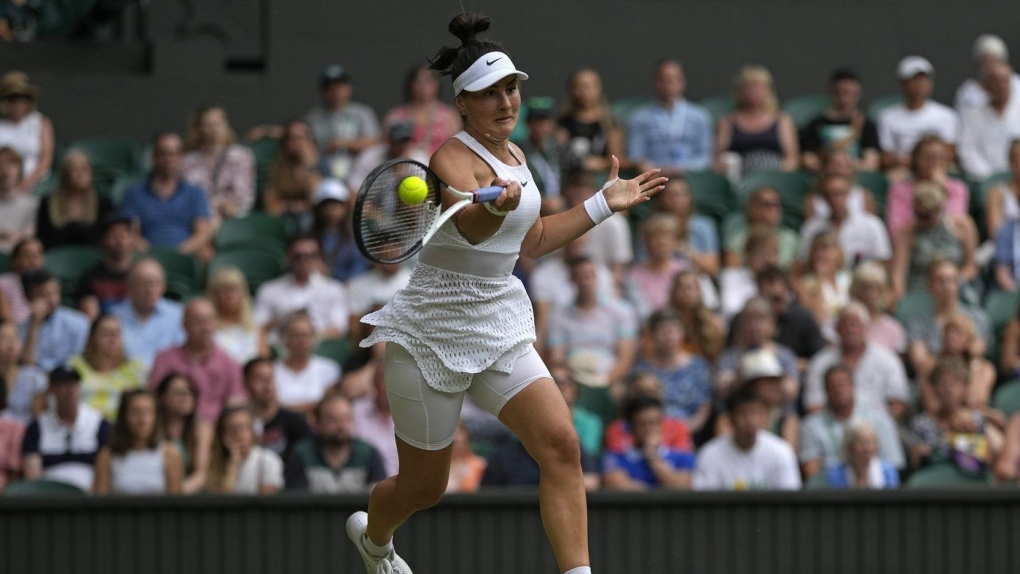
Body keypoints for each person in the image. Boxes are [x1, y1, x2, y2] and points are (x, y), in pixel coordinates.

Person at [348, 14, 667, 574]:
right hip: (432, 331)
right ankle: (374, 539)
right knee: (425, 489)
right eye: (488, 93)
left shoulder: (519, 158)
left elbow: (536, 239)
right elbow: (470, 229)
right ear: (463, 103)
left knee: (562, 447)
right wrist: (490, 204)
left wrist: (601, 203)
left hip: (497, 322)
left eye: (511, 89)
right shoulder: (450, 157)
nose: (505, 102)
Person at [546, 255, 638, 398]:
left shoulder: (622, 311)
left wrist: (605, 381)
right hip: (573, 380)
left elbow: (625, 357)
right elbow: (556, 357)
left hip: (609, 379)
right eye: (581, 277)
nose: (586, 282)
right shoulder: (559, 316)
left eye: (590, 276)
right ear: (572, 280)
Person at [803, 303, 910, 421]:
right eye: (845, 325)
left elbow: (898, 403)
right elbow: (813, 405)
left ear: (866, 328)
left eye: (855, 324)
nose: (850, 329)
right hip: (832, 428)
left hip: (876, 428)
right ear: (837, 328)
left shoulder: (888, 360)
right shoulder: (820, 362)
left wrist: (880, 426)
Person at [148, 297, 246, 425]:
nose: (205, 327)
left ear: (217, 323)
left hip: (215, 432)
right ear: (184, 324)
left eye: (209, 321)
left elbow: (236, 405)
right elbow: (154, 400)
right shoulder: (164, 359)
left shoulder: (231, 365)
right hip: (171, 430)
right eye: (198, 321)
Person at [799, 364, 905, 479]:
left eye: (843, 384)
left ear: (853, 386)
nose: (839, 390)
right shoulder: (811, 426)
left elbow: (894, 465)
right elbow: (811, 473)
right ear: (826, 390)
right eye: (833, 386)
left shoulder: (881, 421)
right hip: (830, 489)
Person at [120, 132, 214, 261]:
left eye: (174, 154)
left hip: (186, 254)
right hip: (147, 256)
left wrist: (178, 253)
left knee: (207, 253)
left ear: (181, 158)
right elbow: (131, 232)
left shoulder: (195, 193)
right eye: (163, 153)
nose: (169, 159)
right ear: (154, 157)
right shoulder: (134, 194)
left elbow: (202, 233)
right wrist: (151, 254)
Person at [692, 384, 802, 491]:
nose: (751, 421)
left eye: (756, 413)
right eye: (744, 414)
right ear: (731, 419)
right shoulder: (710, 454)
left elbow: (789, 497)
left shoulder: (781, 451)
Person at [20, 366, 110, 493]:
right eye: (64, 385)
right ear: (52, 390)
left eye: (74, 384)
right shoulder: (36, 428)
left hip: (89, 499)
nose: (70, 390)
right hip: (50, 499)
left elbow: (104, 472)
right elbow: (33, 477)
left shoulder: (99, 424)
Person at [908, 357, 1003, 473]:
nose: (949, 389)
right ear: (934, 387)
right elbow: (915, 462)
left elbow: (992, 459)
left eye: (955, 383)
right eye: (943, 383)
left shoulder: (977, 419)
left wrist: (972, 435)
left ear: (965, 388)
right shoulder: (921, 423)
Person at [629, 309, 712, 437]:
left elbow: (705, 406)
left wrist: (684, 430)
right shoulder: (641, 368)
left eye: (673, 330)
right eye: (662, 331)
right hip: (648, 431)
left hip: (689, 431)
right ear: (652, 335)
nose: (668, 336)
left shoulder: (697, 365)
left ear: (682, 333)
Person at [890, 182, 978, 300]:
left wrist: (950, 282)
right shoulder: (906, 233)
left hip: (955, 288)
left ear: (939, 210)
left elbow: (971, 266)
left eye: (926, 216)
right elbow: (898, 275)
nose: (921, 220)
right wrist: (901, 300)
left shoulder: (963, 226)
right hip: (920, 291)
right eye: (918, 214)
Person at [252, 234, 350, 339]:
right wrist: (281, 320)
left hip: (320, 346)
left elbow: (340, 328)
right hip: (280, 346)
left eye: (310, 256)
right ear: (288, 257)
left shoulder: (333, 289)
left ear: (318, 258)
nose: (304, 261)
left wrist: (306, 337)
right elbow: (257, 327)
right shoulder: (269, 290)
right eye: (298, 256)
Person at [285, 393, 386, 493]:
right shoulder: (302, 454)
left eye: (346, 419)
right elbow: (296, 501)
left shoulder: (368, 453)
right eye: (333, 420)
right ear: (318, 422)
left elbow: (379, 497)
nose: (341, 426)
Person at [878, 57, 959, 180]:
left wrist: (928, 163)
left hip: (937, 168)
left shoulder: (947, 115)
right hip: (903, 171)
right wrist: (910, 162)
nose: (920, 84)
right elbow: (885, 157)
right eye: (915, 80)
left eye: (924, 79)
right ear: (903, 83)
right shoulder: (887, 117)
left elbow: (950, 152)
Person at [628, 60, 713, 175]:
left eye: (673, 80)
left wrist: (683, 169)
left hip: (690, 176)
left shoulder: (699, 116)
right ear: (656, 83)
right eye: (663, 80)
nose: (667, 84)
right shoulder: (640, 118)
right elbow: (636, 155)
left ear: (682, 83)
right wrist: (652, 168)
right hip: (655, 174)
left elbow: (705, 156)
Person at [92, 389, 184, 494]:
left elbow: (176, 502)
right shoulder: (107, 456)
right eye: (135, 412)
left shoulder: (169, 454)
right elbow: (100, 502)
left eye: (148, 412)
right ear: (124, 416)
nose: (143, 420)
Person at [714, 65, 799, 178]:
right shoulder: (727, 121)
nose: (754, 91)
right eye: (749, 87)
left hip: (775, 178)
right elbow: (717, 159)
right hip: (739, 179)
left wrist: (776, 176)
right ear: (739, 91)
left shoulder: (782, 120)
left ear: (769, 91)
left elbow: (792, 159)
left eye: (759, 87)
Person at [905, 260, 990, 371]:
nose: (947, 287)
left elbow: (976, 351)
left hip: (967, 375)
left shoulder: (978, 318)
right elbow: (920, 362)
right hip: (933, 378)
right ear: (930, 286)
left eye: (952, 281)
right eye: (941, 281)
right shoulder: (917, 324)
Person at [715, 298, 799, 405]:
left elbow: (792, 391)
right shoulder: (729, 357)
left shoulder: (784, 355)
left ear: (771, 324)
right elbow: (720, 390)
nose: (754, 327)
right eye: (749, 320)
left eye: (760, 321)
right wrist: (741, 374)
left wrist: (771, 372)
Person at [797, 174, 891, 270]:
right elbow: (802, 262)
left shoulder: (872, 224)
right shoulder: (812, 227)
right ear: (823, 198)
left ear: (849, 193)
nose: (834, 200)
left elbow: (882, 262)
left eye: (839, 193)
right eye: (829, 195)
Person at [181, 105, 256, 225]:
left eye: (218, 123)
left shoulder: (241, 156)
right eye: (208, 125)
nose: (214, 129)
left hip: (232, 217)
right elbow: (186, 196)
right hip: (198, 219)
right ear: (199, 129)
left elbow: (245, 198)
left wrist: (231, 209)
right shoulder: (187, 161)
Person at [306, 64, 381, 183]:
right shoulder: (313, 118)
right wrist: (326, 149)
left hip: (358, 173)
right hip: (324, 173)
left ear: (349, 88)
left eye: (340, 85)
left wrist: (343, 143)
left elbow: (375, 142)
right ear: (324, 91)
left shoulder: (362, 112)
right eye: (330, 86)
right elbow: (308, 149)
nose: (336, 90)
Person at [601, 395, 694, 490]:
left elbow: (682, 487)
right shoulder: (615, 456)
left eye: (655, 422)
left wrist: (653, 457)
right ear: (631, 427)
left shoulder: (681, 456)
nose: (650, 429)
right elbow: (618, 485)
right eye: (643, 424)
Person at [885, 135, 969, 239]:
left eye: (939, 157)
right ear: (916, 159)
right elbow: (896, 229)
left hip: (946, 245)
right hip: (911, 244)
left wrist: (941, 187)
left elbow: (956, 227)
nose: (934, 163)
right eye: (928, 157)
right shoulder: (899, 189)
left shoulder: (956, 188)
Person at [559, 169, 634, 286]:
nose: (576, 202)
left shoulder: (615, 223)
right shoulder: (559, 220)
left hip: (605, 284)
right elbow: (557, 263)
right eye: (573, 197)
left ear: (594, 194)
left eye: (582, 196)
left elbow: (619, 270)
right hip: (565, 281)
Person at [915, 311, 997, 415]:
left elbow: (974, 400)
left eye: (958, 333)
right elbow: (931, 405)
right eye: (948, 332)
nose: (952, 337)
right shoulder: (929, 365)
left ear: (970, 340)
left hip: (972, 420)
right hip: (938, 421)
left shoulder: (984, 369)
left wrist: (973, 359)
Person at [109, 258, 185, 369]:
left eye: (155, 283)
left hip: (168, 379)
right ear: (130, 286)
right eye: (143, 283)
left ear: (163, 287)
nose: (150, 289)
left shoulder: (179, 315)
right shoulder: (114, 317)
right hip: (126, 381)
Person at [800, 68, 881, 172]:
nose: (845, 98)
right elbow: (807, 159)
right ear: (832, 91)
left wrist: (845, 167)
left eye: (851, 93)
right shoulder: (816, 124)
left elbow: (871, 162)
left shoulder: (866, 124)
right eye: (841, 92)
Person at [69, 314, 145, 422]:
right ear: (93, 337)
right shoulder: (74, 366)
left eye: (117, 333)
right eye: (106, 333)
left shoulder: (136, 369)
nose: (113, 338)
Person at [35, 149, 114, 249]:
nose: (81, 174)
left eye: (85, 169)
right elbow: (43, 239)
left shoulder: (103, 203)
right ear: (65, 174)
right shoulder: (48, 203)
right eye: (75, 169)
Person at [957, 61, 1020, 181]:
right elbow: (967, 151)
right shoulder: (971, 114)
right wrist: (990, 177)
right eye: (995, 81)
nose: (1001, 86)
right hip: (985, 181)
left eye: (1005, 81)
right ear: (985, 85)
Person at [557, 68, 627, 176]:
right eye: (581, 87)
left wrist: (600, 163)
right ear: (572, 90)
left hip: (600, 179)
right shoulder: (563, 123)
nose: (587, 92)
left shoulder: (609, 123)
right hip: (569, 179)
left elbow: (618, 160)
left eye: (592, 86)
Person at [18, 268, 90, 371]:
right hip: (37, 380)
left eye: (54, 293)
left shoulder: (79, 322)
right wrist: (34, 324)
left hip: (68, 377)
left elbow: (80, 360)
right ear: (29, 298)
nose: (52, 300)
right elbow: (27, 365)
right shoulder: (20, 328)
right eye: (44, 295)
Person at [383, 64, 461, 158]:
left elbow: (457, 147)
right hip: (406, 167)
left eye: (429, 80)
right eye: (419, 81)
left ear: (437, 84)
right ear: (410, 85)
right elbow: (386, 146)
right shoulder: (395, 116)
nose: (424, 86)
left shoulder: (449, 115)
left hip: (440, 166)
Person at [263, 119, 329, 228]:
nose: (294, 143)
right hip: (286, 218)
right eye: (289, 138)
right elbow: (270, 208)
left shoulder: (322, 165)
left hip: (316, 221)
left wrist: (309, 166)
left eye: (299, 138)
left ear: (310, 140)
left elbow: (318, 202)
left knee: (306, 220)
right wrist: (294, 206)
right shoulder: (277, 167)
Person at [272, 311, 341, 415]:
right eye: (296, 336)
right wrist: (312, 406)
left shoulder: (329, 369)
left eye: (306, 335)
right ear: (285, 339)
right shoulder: (272, 370)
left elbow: (330, 404)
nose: (302, 340)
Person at [756, 265, 828, 363]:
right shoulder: (746, 321)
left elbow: (821, 358)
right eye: (766, 299)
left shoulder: (803, 319)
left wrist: (792, 364)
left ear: (786, 293)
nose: (771, 305)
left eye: (777, 299)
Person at [154, 372, 212, 494]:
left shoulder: (201, 428)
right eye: (178, 393)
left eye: (189, 392)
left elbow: (201, 475)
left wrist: (175, 496)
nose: (185, 397)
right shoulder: (153, 428)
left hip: (188, 496)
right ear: (162, 397)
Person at [243, 357, 311, 462]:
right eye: (260, 379)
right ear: (246, 382)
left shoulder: (295, 422)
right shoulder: (238, 422)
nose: (267, 385)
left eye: (270, 378)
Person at [205, 405, 284, 494]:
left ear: (252, 431)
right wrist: (232, 465)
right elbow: (222, 504)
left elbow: (267, 502)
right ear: (223, 435)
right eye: (233, 429)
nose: (240, 434)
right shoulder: (214, 464)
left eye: (244, 427)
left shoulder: (268, 460)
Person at [652, 177, 720, 276]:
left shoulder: (704, 225)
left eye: (682, 194)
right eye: (671, 195)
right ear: (661, 199)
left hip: (695, 280)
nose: (677, 200)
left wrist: (685, 250)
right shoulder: (652, 227)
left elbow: (712, 267)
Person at [0, 71, 54, 193]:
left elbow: (46, 157)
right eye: (12, 98)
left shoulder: (41, 122)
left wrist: (28, 182)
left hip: (36, 184)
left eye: (22, 98)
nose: (18, 103)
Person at [723, 185, 798, 269]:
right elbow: (732, 272)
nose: (774, 209)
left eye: (777, 204)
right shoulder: (737, 240)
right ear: (752, 208)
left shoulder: (791, 238)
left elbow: (795, 274)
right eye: (768, 204)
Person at [347, 119, 430, 193]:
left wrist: (401, 178)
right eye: (398, 142)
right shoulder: (370, 157)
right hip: (374, 208)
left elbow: (419, 205)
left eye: (406, 142)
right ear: (388, 142)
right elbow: (353, 193)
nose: (402, 147)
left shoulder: (421, 162)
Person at [77, 214, 135, 319]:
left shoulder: (140, 276)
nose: (120, 242)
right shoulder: (90, 277)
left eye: (124, 236)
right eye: (114, 236)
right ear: (103, 240)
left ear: (132, 240)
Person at [821, 420, 900, 489]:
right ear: (849, 446)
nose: (868, 448)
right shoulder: (835, 473)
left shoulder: (888, 472)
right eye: (862, 443)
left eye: (872, 443)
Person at [666, 270, 725, 362]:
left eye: (690, 288)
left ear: (699, 292)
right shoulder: (665, 323)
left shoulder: (713, 324)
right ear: (673, 292)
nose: (686, 292)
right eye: (681, 288)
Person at [351, 362, 398, 477]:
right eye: (384, 379)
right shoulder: (355, 412)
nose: (390, 385)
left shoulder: (414, 415)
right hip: (365, 485)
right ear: (374, 382)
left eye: (396, 380)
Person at [518, 96, 570, 201]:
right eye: (536, 120)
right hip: (533, 199)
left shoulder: (559, 149)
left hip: (562, 198)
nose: (541, 125)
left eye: (545, 120)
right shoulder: (519, 150)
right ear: (527, 123)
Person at [207, 266, 261, 365]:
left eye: (233, 289)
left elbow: (262, 363)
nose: (229, 295)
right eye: (224, 290)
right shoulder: (207, 327)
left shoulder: (256, 326)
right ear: (214, 295)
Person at [848, 261, 906, 354]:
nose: (870, 295)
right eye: (865, 288)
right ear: (855, 290)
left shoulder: (893, 329)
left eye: (877, 289)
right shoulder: (844, 324)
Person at [955, 34, 1020, 113]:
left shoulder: (1017, 83)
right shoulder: (967, 92)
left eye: (995, 60)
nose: (990, 65)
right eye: (985, 60)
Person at [0, 319, 47, 425]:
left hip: (27, 436)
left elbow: (39, 419)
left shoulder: (35, 377)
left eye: (15, 338)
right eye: (4, 339)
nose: (11, 345)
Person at [0, 146, 37, 253]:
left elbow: (27, 239)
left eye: (11, 164)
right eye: (1, 165)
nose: (5, 170)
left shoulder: (33, 204)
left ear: (19, 170)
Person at [0, 237, 43, 323]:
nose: (33, 261)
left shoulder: (47, 282)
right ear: (14, 260)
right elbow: (8, 322)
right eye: (27, 256)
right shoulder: (3, 284)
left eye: (36, 255)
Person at [985, 140, 1020, 241]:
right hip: (1005, 250)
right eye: (1018, 159)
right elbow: (995, 233)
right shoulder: (997, 193)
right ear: (1010, 162)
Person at [445, 421, 486, 493]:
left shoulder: (481, 464)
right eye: (452, 433)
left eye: (461, 431)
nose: (458, 438)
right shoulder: (434, 468)